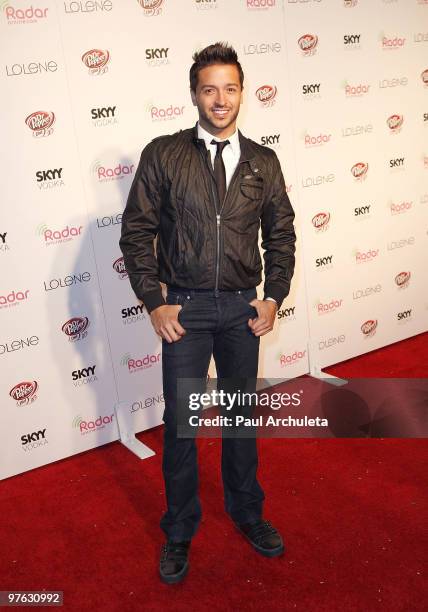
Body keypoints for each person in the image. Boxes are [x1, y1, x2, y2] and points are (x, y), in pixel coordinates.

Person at [119, 42, 296, 584]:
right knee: (182, 425)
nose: (220, 99)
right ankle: (179, 530)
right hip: (186, 309)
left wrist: (273, 296)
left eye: (230, 88)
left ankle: (247, 512)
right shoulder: (164, 153)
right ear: (194, 94)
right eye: (209, 88)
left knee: (242, 418)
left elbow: (282, 236)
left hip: (243, 309)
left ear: (243, 92)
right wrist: (154, 301)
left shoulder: (263, 161)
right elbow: (136, 232)